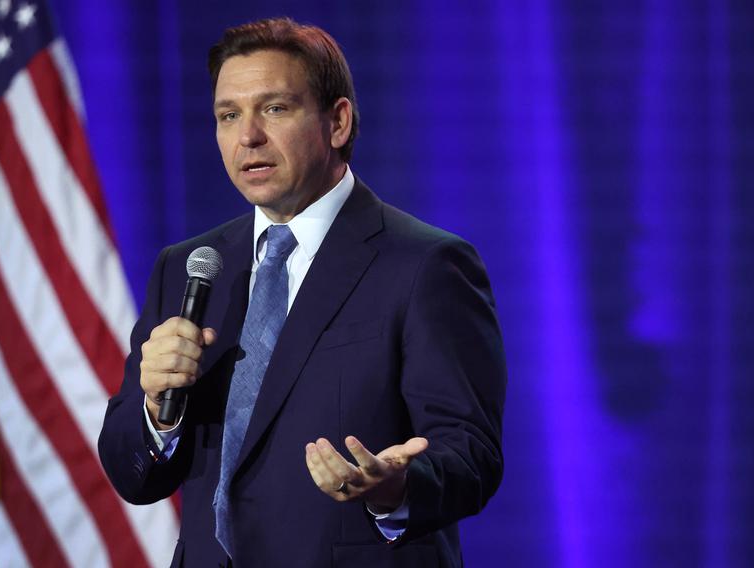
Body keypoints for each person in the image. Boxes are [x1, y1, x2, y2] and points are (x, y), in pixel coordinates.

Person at [98, 17, 506, 568]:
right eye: (228, 115)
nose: (247, 137)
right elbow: (133, 476)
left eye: (275, 108)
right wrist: (156, 412)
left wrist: (394, 487)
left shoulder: (424, 264)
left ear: (337, 122)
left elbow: (471, 453)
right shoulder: (189, 269)